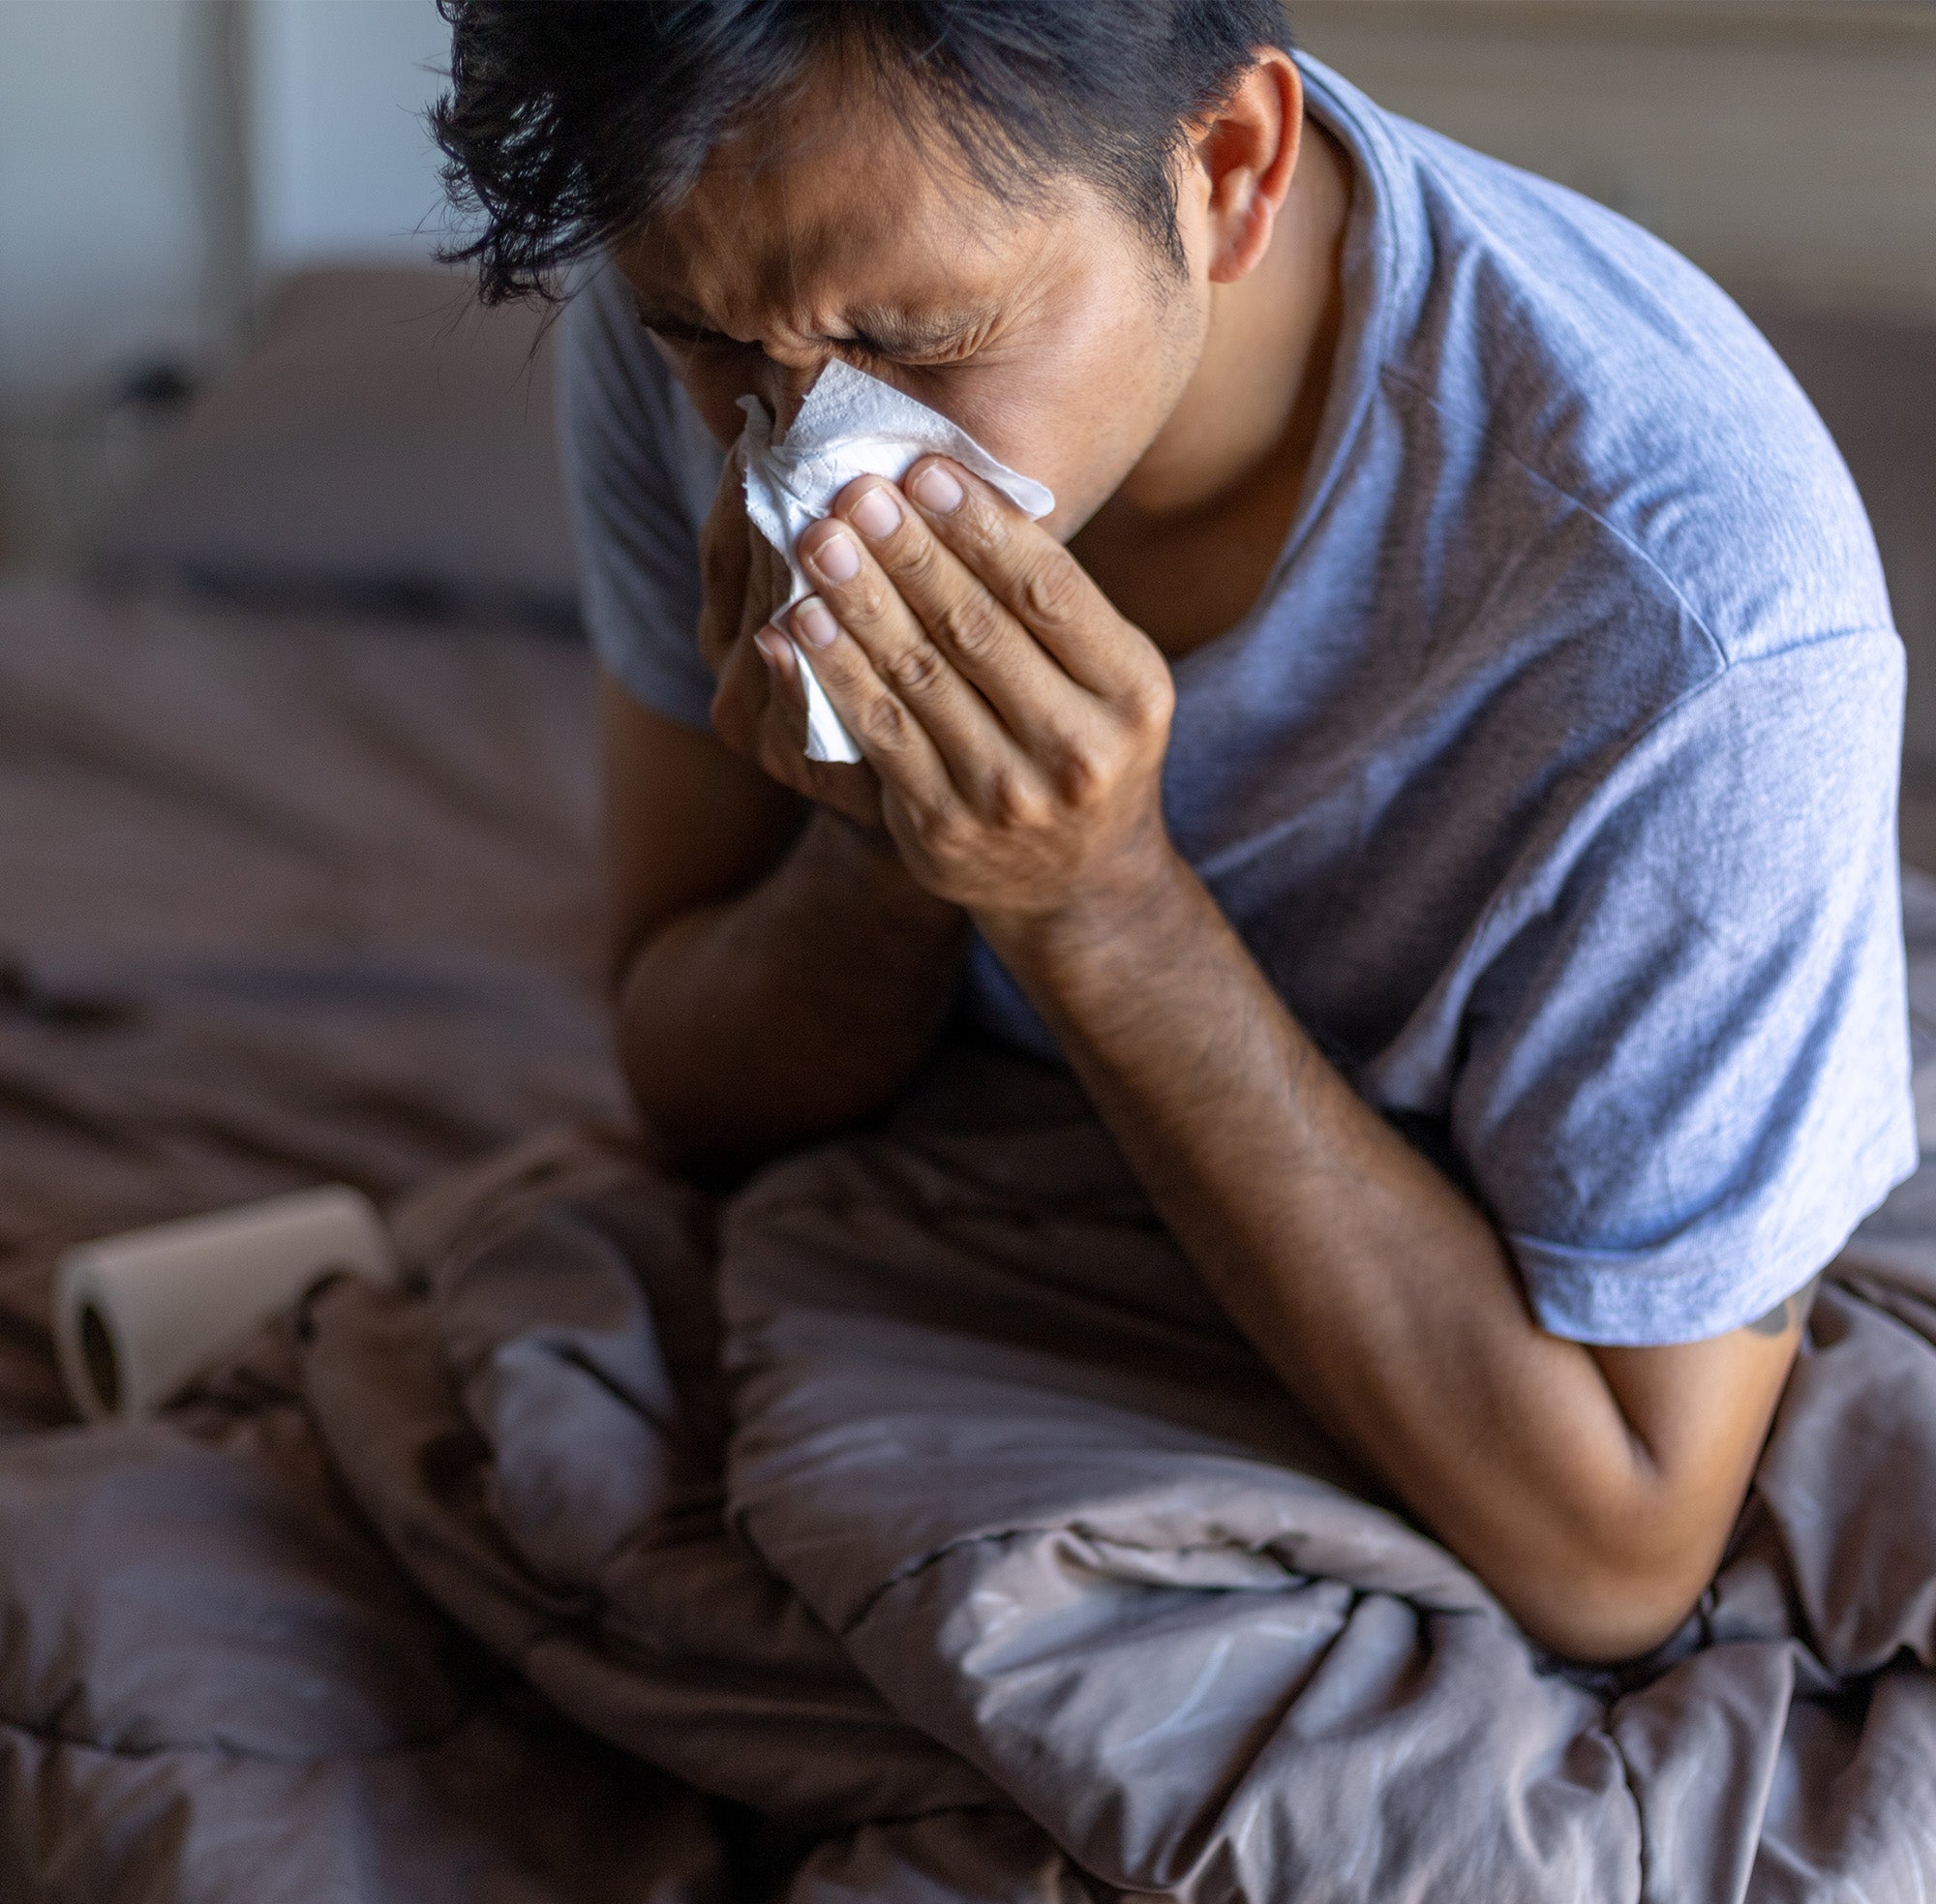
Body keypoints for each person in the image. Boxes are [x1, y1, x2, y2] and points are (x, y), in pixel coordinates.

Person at [431, 0, 1914, 1665]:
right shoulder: (729, 274)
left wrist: (1100, 904)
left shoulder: (1691, 622)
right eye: (709, 348)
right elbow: (684, 1083)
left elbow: (1622, 1552)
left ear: (1227, 170)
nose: (809, 463)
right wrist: (889, 849)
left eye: (922, 345)